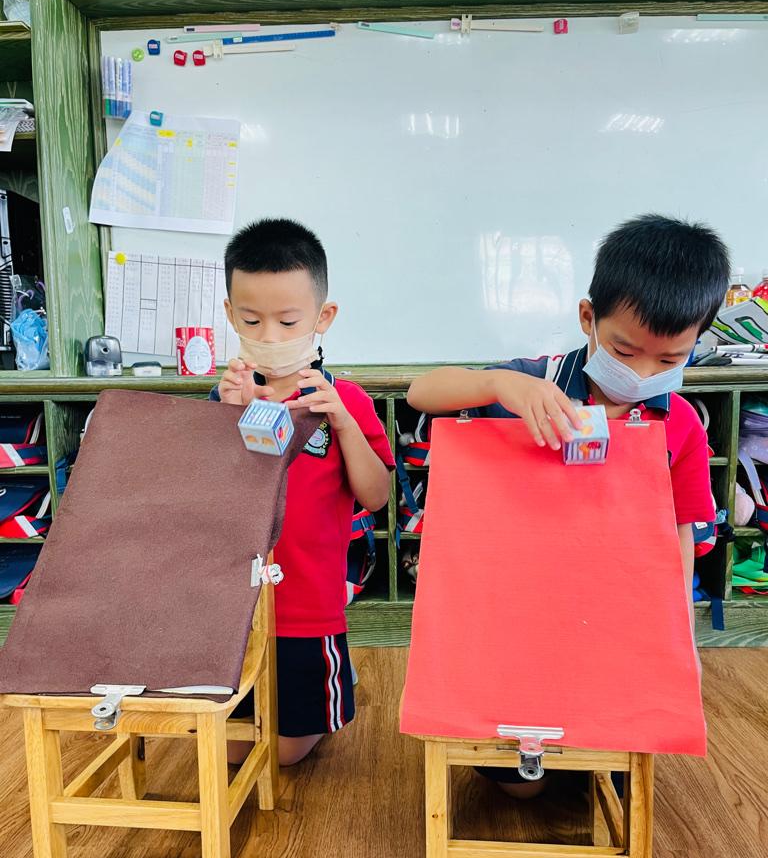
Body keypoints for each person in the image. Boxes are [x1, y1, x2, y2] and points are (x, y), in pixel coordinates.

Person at [407, 214, 728, 797]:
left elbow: (680, 536)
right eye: (625, 350)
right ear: (587, 318)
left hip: (613, 620)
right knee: (523, 785)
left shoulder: (679, 422)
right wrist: (498, 384)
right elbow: (420, 393)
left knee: (607, 760)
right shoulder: (537, 383)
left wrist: (680, 638)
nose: (641, 373)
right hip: (523, 614)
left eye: (669, 360)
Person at [212, 218, 394, 766]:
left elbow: (377, 496)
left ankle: (335, 672)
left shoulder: (346, 400)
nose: (270, 337)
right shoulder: (226, 398)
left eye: (288, 321)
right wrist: (228, 419)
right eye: (252, 320)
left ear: (322, 318)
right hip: (236, 605)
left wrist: (344, 425)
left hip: (307, 603)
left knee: (283, 753)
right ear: (231, 315)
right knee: (233, 741)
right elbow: (209, 500)